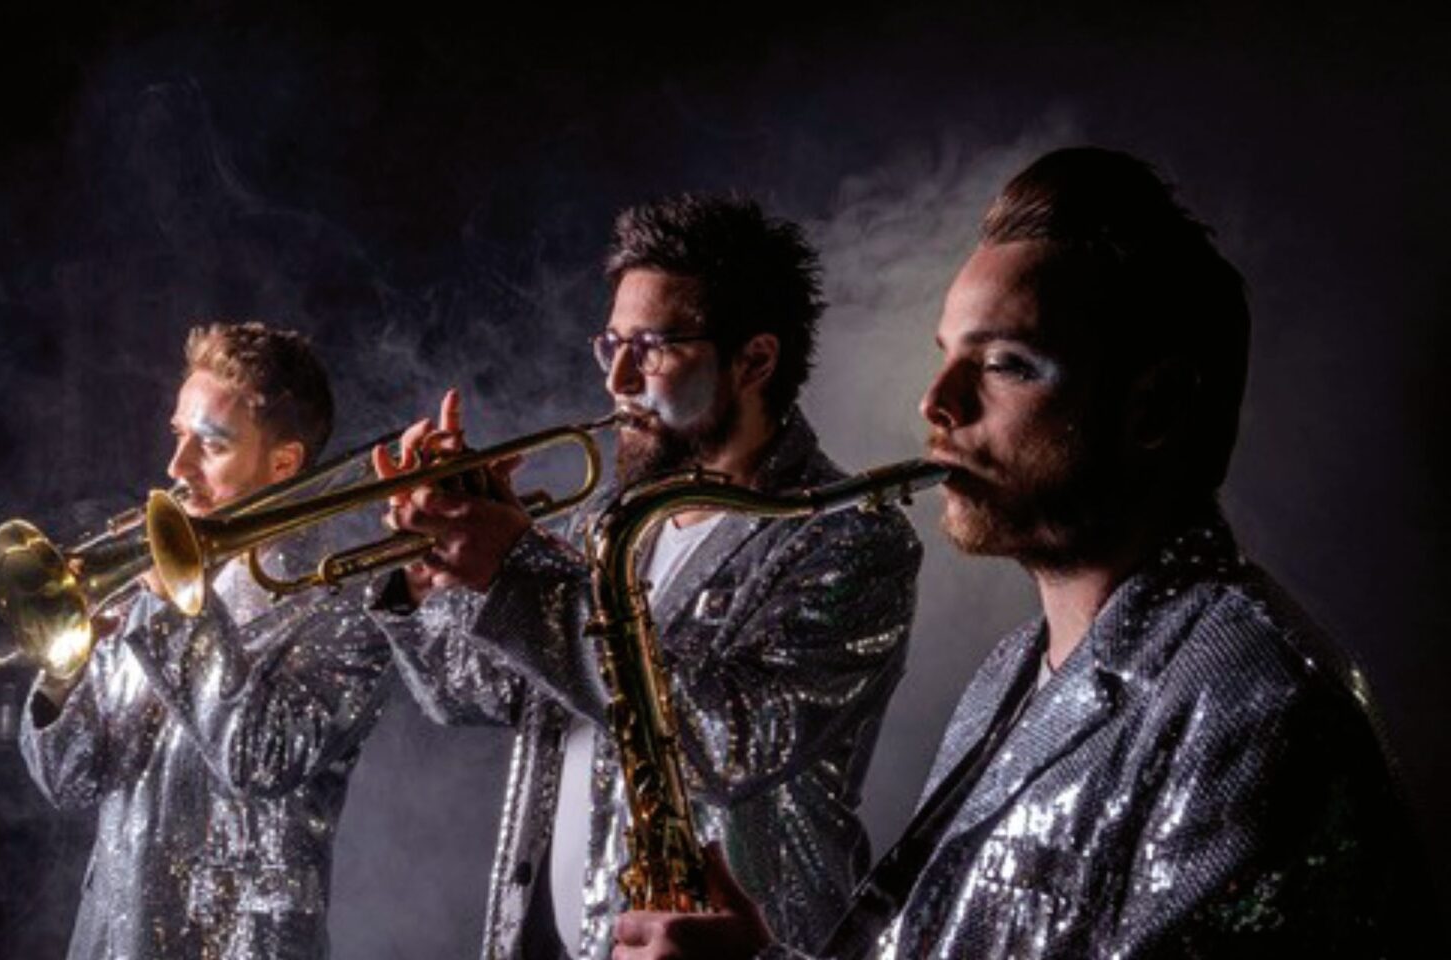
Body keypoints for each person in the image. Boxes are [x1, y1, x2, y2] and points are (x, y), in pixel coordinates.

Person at [612, 148, 1422, 960]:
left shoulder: (1259, 707)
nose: (937, 401)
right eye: (947, 355)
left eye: (1005, 364)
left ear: (1156, 407)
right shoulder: (1011, 671)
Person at [368, 195, 924, 959]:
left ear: (755, 360)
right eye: (611, 345)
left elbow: (732, 743)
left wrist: (519, 574)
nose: (619, 379)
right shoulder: (609, 523)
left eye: (653, 348)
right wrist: (436, 569)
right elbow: (477, 692)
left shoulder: (850, 537)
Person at [20, 321, 392, 960]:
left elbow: (262, 759)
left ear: (283, 463)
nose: (176, 468)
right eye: (179, 436)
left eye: (211, 445)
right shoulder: (140, 597)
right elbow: (68, 783)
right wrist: (64, 671)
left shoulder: (345, 603)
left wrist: (175, 612)